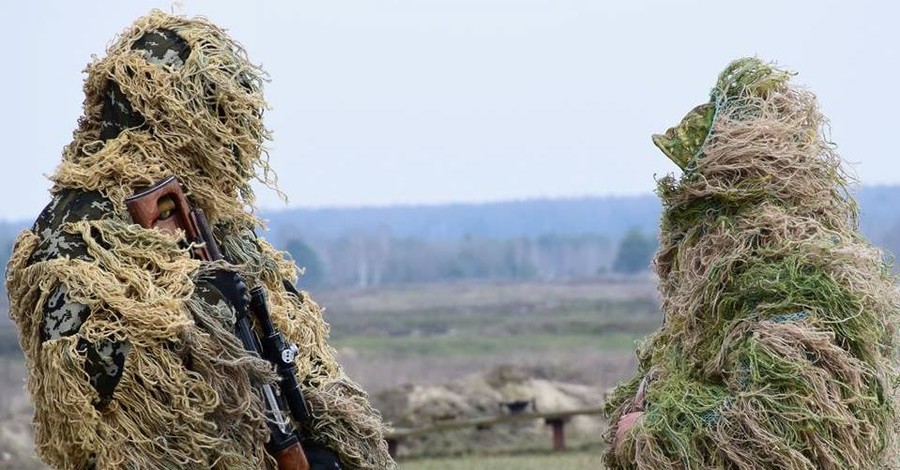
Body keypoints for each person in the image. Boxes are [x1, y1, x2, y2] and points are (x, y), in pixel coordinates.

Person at [5, 10, 395, 470]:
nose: (237, 133)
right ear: (169, 110)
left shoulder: (212, 217)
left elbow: (287, 340)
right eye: (219, 111)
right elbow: (104, 393)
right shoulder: (78, 233)